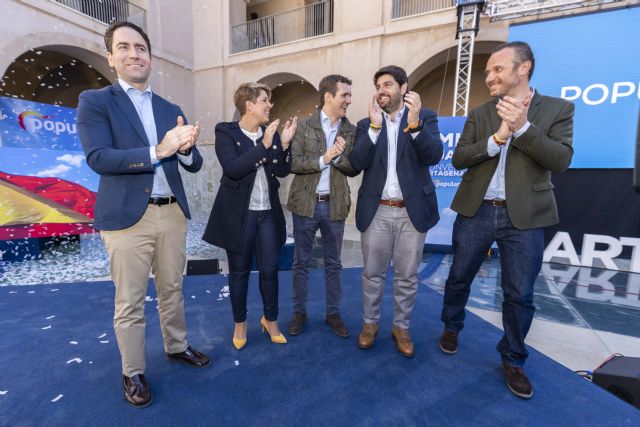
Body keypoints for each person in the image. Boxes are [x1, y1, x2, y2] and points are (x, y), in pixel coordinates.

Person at [77, 22, 210, 409]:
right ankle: (133, 371)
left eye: (141, 48)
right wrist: (159, 150)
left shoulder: (171, 108)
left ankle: (177, 346)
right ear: (111, 57)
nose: (134, 54)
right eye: (125, 47)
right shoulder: (96, 100)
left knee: (172, 289)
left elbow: (195, 163)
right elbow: (97, 157)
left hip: (172, 215)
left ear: (150, 56)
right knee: (130, 300)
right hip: (126, 220)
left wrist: (185, 149)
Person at [438, 41, 574, 399]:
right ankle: (451, 326)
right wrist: (498, 138)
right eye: (487, 72)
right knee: (458, 277)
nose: (489, 77)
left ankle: (513, 359)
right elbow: (460, 159)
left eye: (497, 69)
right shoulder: (481, 113)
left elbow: (560, 159)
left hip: (525, 218)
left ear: (523, 68)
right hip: (476, 210)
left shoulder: (558, 109)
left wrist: (524, 128)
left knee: (520, 294)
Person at [349, 65, 442, 358]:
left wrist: (414, 125)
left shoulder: (425, 117)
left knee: (407, 276)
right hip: (376, 211)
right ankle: (369, 325)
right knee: (372, 274)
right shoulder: (366, 124)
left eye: (387, 85)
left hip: (410, 212)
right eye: (378, 86)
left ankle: (401, 327)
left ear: (404, 89)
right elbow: (356, 163)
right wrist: (375, 129)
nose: (381, 91)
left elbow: (434, 155)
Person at [202, 83, 297, 350]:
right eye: (265, 100)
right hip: (239, 216)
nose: (270, 105)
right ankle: (240, 324)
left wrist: (284, 144)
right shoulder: (226, 131)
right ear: (249, 105)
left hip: (267, 213)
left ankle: (271, 320)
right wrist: (265, 146)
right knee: (240, 272)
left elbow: (280, 170)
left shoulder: (270, 133)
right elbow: (232, 168)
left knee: (270, 271)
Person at [286, 74, 359, 338]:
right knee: (300, 262)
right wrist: (323, 158)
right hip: (305, 205)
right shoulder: (304, 126)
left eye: (349, 95)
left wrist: (337, 158)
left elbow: (353, 168)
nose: (349, 100)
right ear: (328, 96)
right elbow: (294, 163)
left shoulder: (351, 130)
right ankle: (299, 313)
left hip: (335, 205)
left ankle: (333, 314)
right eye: (344, 95)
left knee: (334, 263)